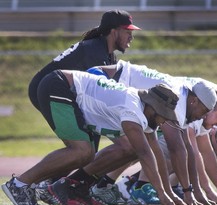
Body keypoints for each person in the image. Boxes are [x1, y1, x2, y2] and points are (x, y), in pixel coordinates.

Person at [1, 69, 182, 205]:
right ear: (153, 107)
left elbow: (155, 152)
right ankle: (19, 184)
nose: (165, 120)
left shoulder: (145, 111)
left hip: (67, 89)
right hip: (59, 85)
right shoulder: (132, 109)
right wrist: (161, 193)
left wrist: (168, 193)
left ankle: (68, 185)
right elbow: (145, 154)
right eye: (164, 115)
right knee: (82, 152)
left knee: (114, 149)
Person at [48, 60, 217, 205]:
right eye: (204, 111)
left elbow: (179, 149)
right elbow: (176, 149)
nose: (203, 117)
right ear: (194, 101)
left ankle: (75, 184)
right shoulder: (177, 103)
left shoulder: (175, 102)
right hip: (95, 84)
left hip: (122, 95)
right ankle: (52, 183)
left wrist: (179, 191)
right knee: (120, 148)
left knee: (132, 147)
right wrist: (184, 192)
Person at [28, 9, 141, 152]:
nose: (131, 37)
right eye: (128, 32)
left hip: (62, 93)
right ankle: (31, 176)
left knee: (90, 151)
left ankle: (80, 175)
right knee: (82, 151)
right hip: (47, 91)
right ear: (114, 32)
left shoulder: (106, 53)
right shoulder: (95, 51)